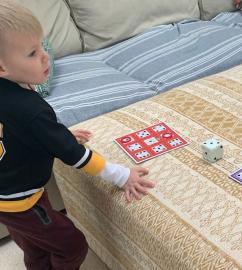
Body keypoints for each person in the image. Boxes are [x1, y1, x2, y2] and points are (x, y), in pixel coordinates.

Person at [0, 1, 155, 269]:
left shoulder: (15, 95)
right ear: (2, 68)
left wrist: (57, 134)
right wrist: (122, 175)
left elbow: (20, 128)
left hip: (6, 196)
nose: (46, 57)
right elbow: (75, 156)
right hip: (22, 202)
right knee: (72, 246)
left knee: (35, 247)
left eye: (43, 46)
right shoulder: (32, 110)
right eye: (33, 53)